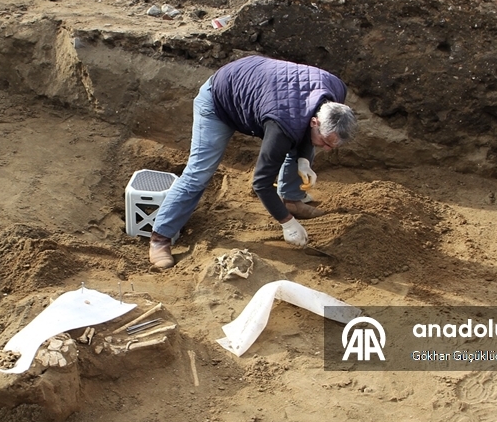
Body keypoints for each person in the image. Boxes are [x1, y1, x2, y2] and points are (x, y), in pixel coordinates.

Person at [148, 56, 358, 269]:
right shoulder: (282, 126)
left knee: (305, 140)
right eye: (326, 142)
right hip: (220, 100)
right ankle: (160, 238)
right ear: (315, 121)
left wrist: (303, 159)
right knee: (198, 173)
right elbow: (261, 183)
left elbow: (306, 125)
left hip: (268, 92)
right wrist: (287, 223)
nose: (327, 149)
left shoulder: (336, 92)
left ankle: (292, 201)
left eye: (332, 145)